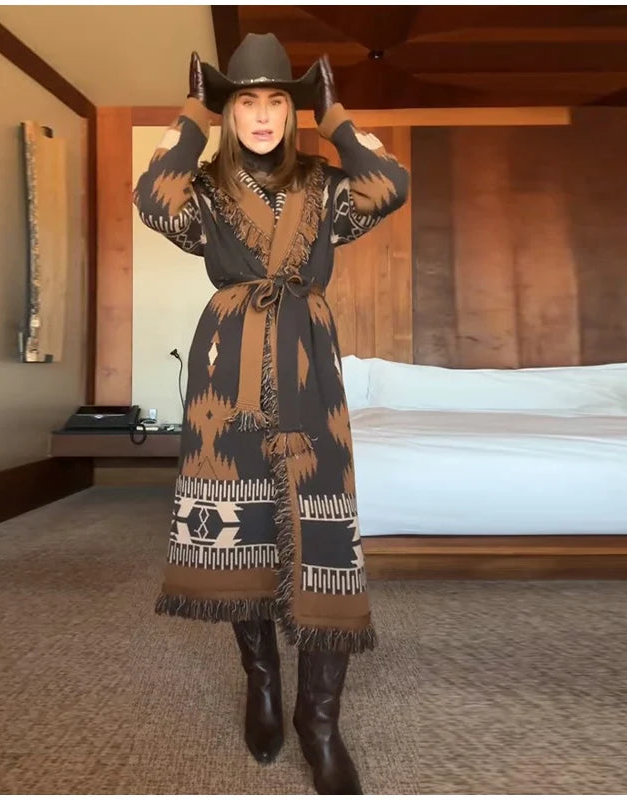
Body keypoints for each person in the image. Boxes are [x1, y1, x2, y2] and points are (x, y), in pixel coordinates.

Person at [133, 33, 408, 794]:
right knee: (238, 529)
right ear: (228, 111)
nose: (260, 115)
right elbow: (152, 194)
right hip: (226, 373)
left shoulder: (325, 185)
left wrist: (337, 114)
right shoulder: (205, 190)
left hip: (309, 367)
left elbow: (389, 183)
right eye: (244, 100)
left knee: (324, 535)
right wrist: (193, 110)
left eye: (276, 101)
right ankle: (260, 680)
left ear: (294, 111)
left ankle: (318, 721)